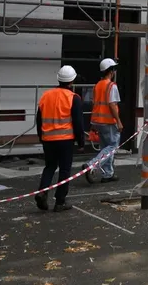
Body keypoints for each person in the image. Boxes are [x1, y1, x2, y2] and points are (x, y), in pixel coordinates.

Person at [35, 66, 85, 212]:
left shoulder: (46, 96)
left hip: (48, 139)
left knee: (49, 166)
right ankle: (60, 201)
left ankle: (42, 192)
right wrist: (81, 142)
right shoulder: (73, 98)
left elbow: (39, 119)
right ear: (72, 80)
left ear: (58, 79)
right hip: (65, 140)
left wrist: (41, 137)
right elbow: (78, 122)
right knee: (64, 170)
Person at [87, 58, 123, 183]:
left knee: (105, 148)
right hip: (108, 121)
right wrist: (118, 121)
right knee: (112, 147)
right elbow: (112, 104)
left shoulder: (97, 85)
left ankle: (107, 174)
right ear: (111, 71)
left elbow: (94, 103)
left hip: (97, 120)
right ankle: (92, 165)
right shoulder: (111, 86)